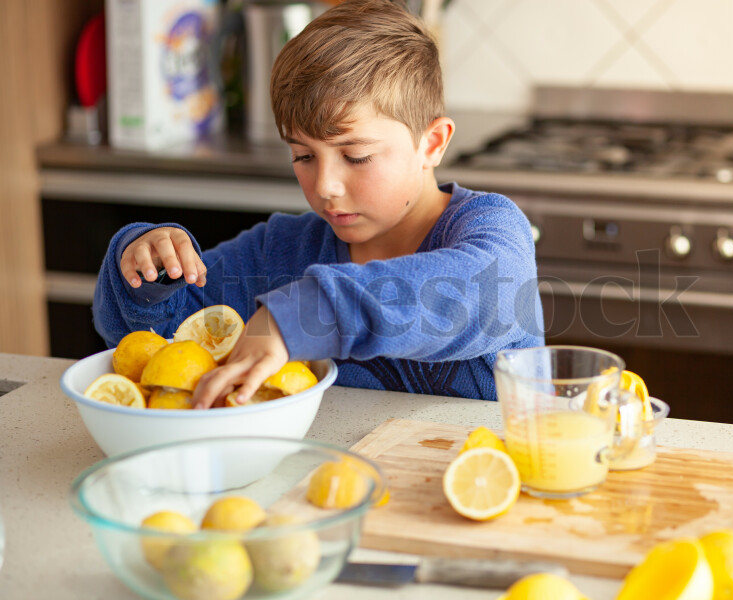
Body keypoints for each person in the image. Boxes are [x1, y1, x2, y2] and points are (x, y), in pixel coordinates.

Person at [92, 0, 543, 408]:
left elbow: (481, 295)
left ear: (432, 144)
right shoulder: (279, 252)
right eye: (303, 156)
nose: (325, 186)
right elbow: (158, 344)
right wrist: (149, 270)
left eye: (356, 156)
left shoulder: (491, 226)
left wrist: (303, 315)